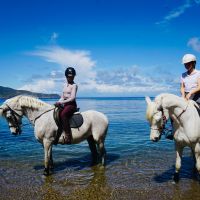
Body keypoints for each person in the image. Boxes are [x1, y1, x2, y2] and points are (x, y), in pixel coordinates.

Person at [166, 53, 200, 140]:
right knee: (173, 111)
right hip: (185, 95)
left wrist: (190, 93)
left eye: (188, 63)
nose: (186, 65)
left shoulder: (198, 73)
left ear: (193, 63)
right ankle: (172, 130)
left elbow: (199, 87)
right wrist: (183, 95)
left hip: (197, 95)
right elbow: (182, 87)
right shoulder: (183, 75)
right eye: (185, 64)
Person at [55, 67, 78, 144]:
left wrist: (62, 103)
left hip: (71, 105)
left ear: (74, 76)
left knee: (63, 114)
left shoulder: (74, 85)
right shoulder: (65, 85)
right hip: (65, 104)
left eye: (72, 76)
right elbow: (62, 97)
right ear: (66, 76)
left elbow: (72, 98)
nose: (70, 78)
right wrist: (58, 102)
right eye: (69, 76)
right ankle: (58, 133)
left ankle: (68, 135)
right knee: (55, 112)